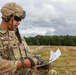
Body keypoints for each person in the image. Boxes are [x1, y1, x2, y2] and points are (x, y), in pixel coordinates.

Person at [0, 2, 39, 75]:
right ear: (7, 17)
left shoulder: (18, 35)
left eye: (20, 20)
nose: (19, 22)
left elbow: (28, 53)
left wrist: (36, 61)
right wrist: (22, 64)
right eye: (17, 19)